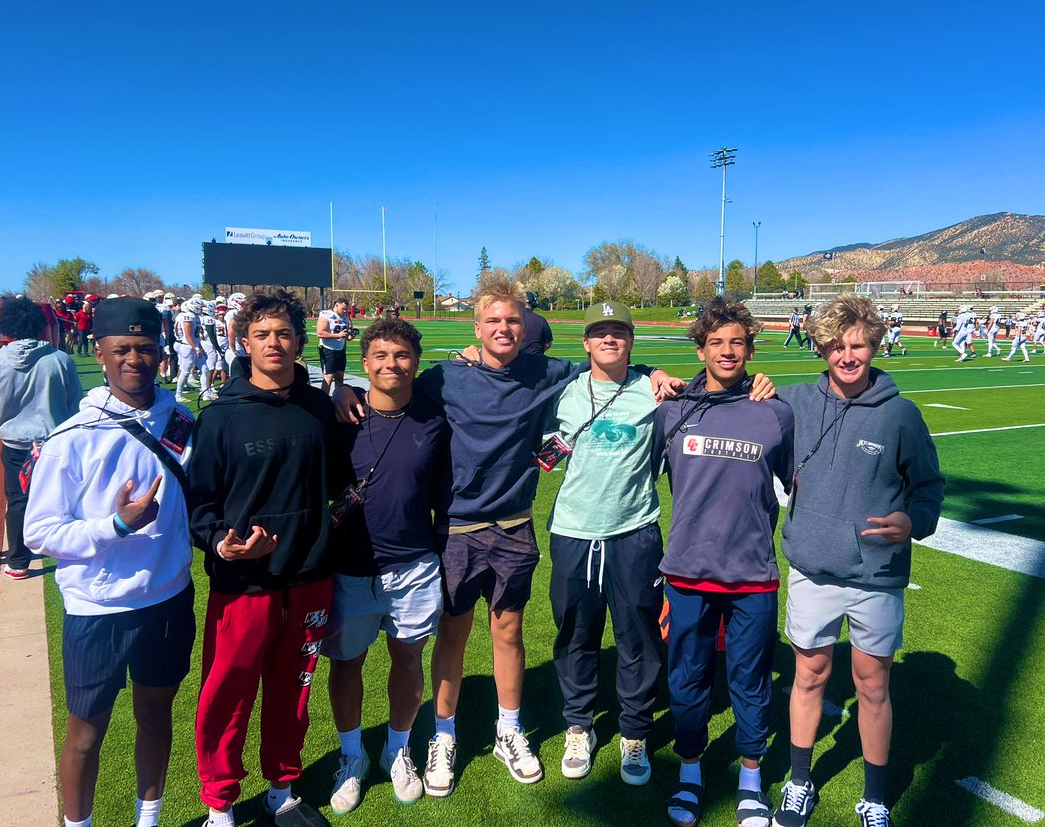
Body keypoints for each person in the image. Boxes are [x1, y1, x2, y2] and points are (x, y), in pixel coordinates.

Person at [335, 282, 681, 797]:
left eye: (513, 322)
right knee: (452, 636)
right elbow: (393, 390)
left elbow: (611, 362)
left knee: (509, 632)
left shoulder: (546, 372)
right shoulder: (444, 377)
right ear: (476, 328)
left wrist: (653, 371)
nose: (503, 329)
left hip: (515, 525)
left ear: (526, 329)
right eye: (493, 321)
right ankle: (445, 737)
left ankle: (509, 730)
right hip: (456, 528)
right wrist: (346, 390)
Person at [771, 294, 944, 827]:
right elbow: (727, 392)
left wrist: (915, 521)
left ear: (874, 345)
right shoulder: (793, 399)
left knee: (872, 684)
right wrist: (655, 374)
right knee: (810, 676)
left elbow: (929, 487)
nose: (848, 356)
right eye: (838, 346)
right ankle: (799, 782)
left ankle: (874, 797)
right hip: (812, 568)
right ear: (822, 348)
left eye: (859, 346)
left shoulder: (900, 414)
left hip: (876, 574)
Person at [23, 297, 195, 827]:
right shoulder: (71, 438)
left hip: (168, 598)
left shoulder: (182, 420)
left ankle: (149, 820)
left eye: (146, 348)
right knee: (86, 732)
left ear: (162, 355)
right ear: (99, 352)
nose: (134, 360)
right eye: (122, 349)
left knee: (155, 715)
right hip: (96, 608)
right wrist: (115, 526)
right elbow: (39, 533)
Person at [187, 290, 350, 827]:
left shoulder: (319, 407)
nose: (273, 343)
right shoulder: (220, 417)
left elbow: (340, 480)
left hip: (309, 577)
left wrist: (345, 393)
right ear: (244, 341)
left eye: (283, 333)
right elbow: (199, 502)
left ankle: (282, 787)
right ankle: (220, 804)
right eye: (262, 334)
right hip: (244, 582)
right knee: (228, 693)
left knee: (293, 692)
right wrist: (219, 542)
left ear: (301, 342)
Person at [656, 300, 794, 827]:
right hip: (688, 571)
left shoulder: (775, 411)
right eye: (717, 343)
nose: (728, 351)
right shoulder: (673, 409)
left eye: (737, 342)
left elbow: (796, 480)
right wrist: (655, 378)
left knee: (750, 679)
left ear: (751, 350)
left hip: (752, 574)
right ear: (701, 349)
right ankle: (690, 772)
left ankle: (751, 779)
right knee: (688, 677)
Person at [325, 318, 451, 814]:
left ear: (416, 363)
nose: (391, 365)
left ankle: (397, 749)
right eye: (380, 355)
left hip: (414, 565)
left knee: (407, 661)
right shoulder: (339, 417)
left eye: (401, 356)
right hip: (351, 567)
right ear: (364, 362)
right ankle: (352, 756)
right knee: (347, 664)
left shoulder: (434, 416)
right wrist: (336, 391)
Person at [546, 301, 670, 787]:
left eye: (619, 331)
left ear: (631, 341)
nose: (610, 339)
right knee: (575, 631)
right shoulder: (564, 390)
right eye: (600, 332)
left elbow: (718, 388)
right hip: (574, 530)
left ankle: (634, 730)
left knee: (637, 635)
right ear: (586, 342)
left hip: (634, 531)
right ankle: (579, 725)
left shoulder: (656, 391)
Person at [0, 296, 82, 579]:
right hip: (54, 441)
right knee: (62, 497)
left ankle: (18, 560)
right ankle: (64, 548)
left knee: (18, 501)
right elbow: (75, 404)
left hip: (15, 444)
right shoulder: (60, 360)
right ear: (38, 326)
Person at [316, 298, 352, 394]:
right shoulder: (326, 315)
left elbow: (346, 336)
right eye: (343, 308)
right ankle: (324, 401)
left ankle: (339, 399)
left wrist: (350, 336)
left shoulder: (345, 318)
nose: (344, 311)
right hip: (328, 349)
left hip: (340, 349)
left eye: (345, 309)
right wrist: (337, 335)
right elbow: (320, 333)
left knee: (340, 376)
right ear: (336, 305)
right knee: (328, 377)